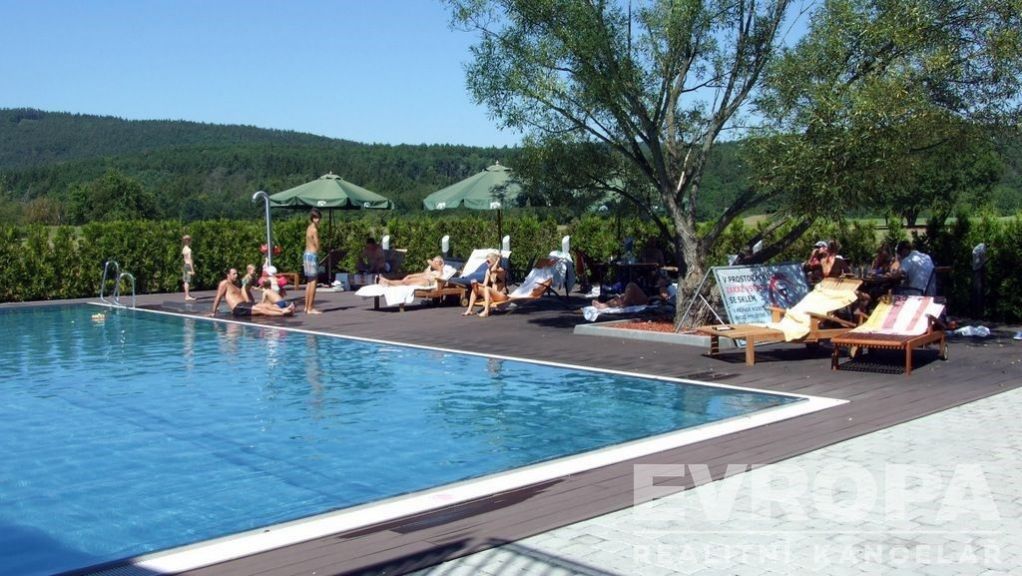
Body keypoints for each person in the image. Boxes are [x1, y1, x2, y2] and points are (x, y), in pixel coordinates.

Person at [208, 268, 293, 317]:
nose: (236, 275)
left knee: (264, 305)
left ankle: (283, 309)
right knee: (261, 310)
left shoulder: (235, 285)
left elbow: (245, 293)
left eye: (236, 274)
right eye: (234, 274)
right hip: (239, 308)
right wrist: (213, 312)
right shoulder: (224, 283)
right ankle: (282, 313)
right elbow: (218, 297)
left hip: (244, 304)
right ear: (228, 275)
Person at [463, 252, 508, 317]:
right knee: (475, 288)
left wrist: (498, 260)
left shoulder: (501, 270)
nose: (486, 263)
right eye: (486, 261)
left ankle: (486, 311)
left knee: (487, 288)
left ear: (494, 261)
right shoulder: (488, 271)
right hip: (493, 296)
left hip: (502, 295)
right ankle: (470, 310)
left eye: (488, 261)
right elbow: (484, 285)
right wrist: (477, 284)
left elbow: (493, 269)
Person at [379, 256, 451, 286]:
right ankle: (388, 283)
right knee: (405, 281)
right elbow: (422, 274)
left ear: (440, 263)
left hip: (426, 282)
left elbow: (429, 261)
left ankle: (388, 282)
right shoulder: (430, 269)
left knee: (405, 282)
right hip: (423, 279)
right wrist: (410, 275)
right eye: (434, 261)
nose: (434, 262)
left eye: (436, 261)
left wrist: (431, 262)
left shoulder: (440, 270)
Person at [303, 208, 322, 314]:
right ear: (312, 218)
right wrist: (319, 249)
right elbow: (317, 244)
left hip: (306, 254)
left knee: (309, 281)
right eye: (315, 218)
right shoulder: (314, 230)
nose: (317, 220)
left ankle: (306, 307)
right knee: (313, 282)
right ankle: (310, 308)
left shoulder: (308, 228)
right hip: (312, 255)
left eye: (318, 217)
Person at [181, 235, 196, 301]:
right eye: (190, 240)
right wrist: (192, 270)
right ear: (188, 241)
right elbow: (190, 259)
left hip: (185, 265)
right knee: (187, 281)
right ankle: (187, 296)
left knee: (186, 280)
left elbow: (184, 258)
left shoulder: (184, 249)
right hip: (188, 265)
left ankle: (187, 294)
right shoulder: (189, 250)